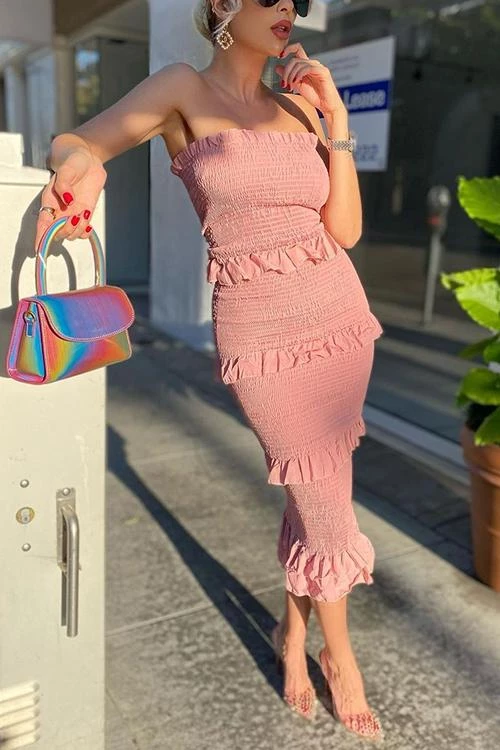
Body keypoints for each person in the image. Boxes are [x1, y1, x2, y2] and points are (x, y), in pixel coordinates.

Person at [37, 0, 384, 742]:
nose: (288, 9)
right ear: (224, 6)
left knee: (315, 491)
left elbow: (346, 231)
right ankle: (341, 656)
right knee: (324, 506)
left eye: (296, 1)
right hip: (259, 335)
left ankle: (296, 634)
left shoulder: (299, 105)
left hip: (338, 320)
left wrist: (336, 119)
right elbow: (78, 138)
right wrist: (80, 165)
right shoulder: (181, 90)